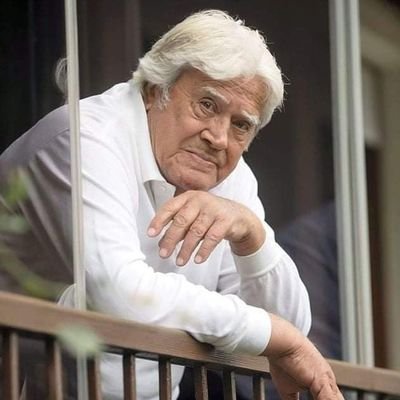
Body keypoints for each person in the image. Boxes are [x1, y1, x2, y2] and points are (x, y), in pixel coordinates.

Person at [0, 10, 343, 400]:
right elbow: (119, 294)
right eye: (207, 105)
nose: (219, 137)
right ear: (154, 90)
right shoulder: (84, 138)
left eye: (241, 124)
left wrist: (253, 236)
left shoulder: (232, 178)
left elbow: (290, 329)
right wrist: (271, 334)